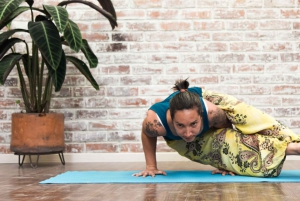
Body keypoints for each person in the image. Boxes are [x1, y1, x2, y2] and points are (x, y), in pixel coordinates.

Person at [133, 78, 300, 178]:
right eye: (180, 126)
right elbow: (146, 134)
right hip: (188, 136)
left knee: (254, 118)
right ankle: (292, 149)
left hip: (212, 108)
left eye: (193, 124)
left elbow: (227, 132)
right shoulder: (156, 123)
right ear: (171, 119)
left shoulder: (212, 112)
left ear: (201, 117)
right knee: (238, 152)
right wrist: (151, 167)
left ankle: (296, 144)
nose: (188, 133)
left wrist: (224, 158)